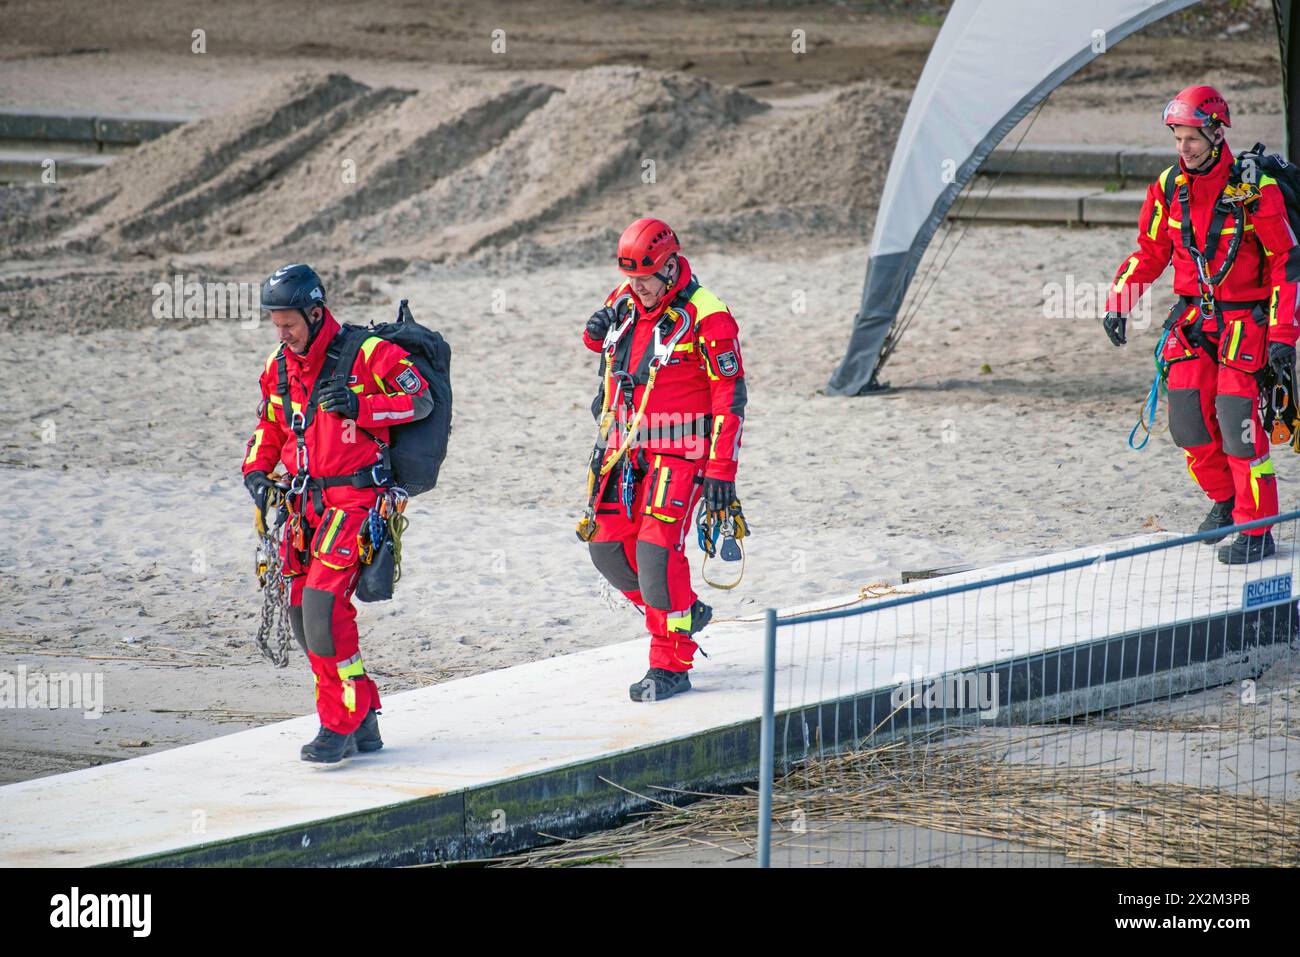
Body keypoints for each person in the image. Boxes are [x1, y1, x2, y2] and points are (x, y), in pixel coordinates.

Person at [242, 264, 433, 761]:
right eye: (275, 324)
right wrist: (257, 473)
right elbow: (271, 425)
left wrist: (361, 404)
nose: (281, 333)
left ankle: (340, 723)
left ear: (315, 310)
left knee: (326, 607)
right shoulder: (278, 366)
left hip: (357, 501)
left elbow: (420, 400)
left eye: (289, 323)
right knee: (304, 614)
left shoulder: (366, 353)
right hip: (303, 506)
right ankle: (363, 713)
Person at [1103, 85, 1299, 564]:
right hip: (1194, 322)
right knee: (1189, 422)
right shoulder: (1169, 187)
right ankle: (1227, 500)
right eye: (1177, 138)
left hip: (1246, 324)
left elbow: (1286, 263)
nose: (1182, 148)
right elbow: (1150, 253)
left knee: (1239, 425)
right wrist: (1119, 301)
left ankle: (1258, 529)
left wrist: (1282, 335)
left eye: (1191, 138)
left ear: (1216, 132)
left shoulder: (1258, 190)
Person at [582, 218, 748, 701]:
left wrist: (722, 472)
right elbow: (608, 348)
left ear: (671, 265)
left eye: (647, 278)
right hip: (625, 446)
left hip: (683, 450)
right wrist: (594, 333)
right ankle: (684, 611)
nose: (638, 288)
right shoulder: (625, 298)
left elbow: (730, 399)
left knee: (657, 552)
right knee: (607, 549)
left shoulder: (709, 316)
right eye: (630, 277)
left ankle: (670, 661)